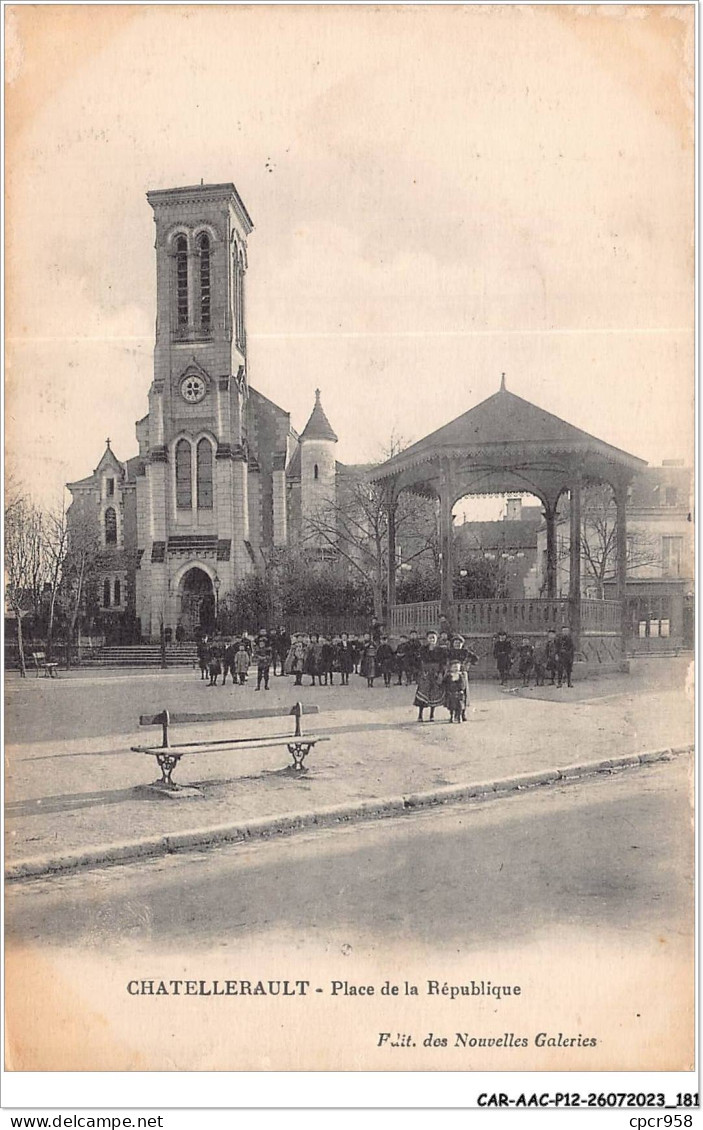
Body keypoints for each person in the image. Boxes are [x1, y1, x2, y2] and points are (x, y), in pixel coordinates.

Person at [414, 630, 446, 722]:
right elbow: (418, 661)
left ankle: (432, 715)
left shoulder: (441, 650)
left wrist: (440, 673)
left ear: (437, 639)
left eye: (433, 638)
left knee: (434, 694)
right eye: (430, 638)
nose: (432, 640)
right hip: (425, 673)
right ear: (427, 639)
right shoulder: (422, 649)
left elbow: (443, 663)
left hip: (435, 673)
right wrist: (420, 671)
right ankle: (420, 715)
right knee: (423, 693)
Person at [443, 658, 468, 723]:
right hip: (451, 693)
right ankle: (452, 716)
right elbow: (445, 683)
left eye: (457, 667)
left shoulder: (460, 675)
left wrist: (461, 689)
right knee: (451, 706)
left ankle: (459, 716)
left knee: (459, 705)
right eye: (454, 667)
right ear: (451, 668)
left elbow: (463, 684)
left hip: (459, 693)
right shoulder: (449, 676)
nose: (456, 669)